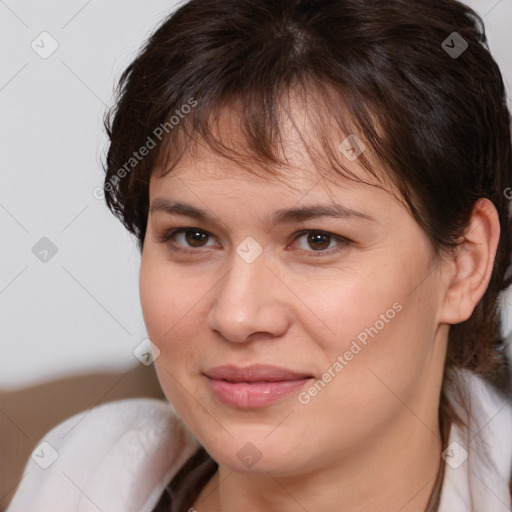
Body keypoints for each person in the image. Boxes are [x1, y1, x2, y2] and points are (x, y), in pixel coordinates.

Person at [7, 0, 512, 510]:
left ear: (464, 267)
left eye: (318, 240)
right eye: (192, 237)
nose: (237, 316)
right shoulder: (83, 476)